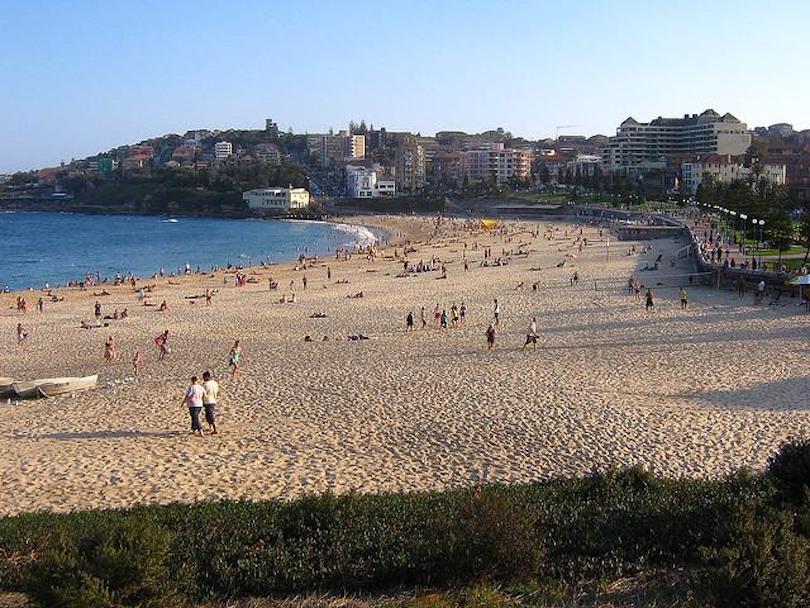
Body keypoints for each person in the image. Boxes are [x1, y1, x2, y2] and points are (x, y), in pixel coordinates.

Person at [202, 370, 219, 435]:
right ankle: (210, 427)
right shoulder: (214, 383)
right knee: (208, 414)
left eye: (203, 377)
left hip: (208, 400)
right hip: (213, 399)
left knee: (209, 415)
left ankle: (214, 428)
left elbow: (203, 393)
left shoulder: (205, 384)